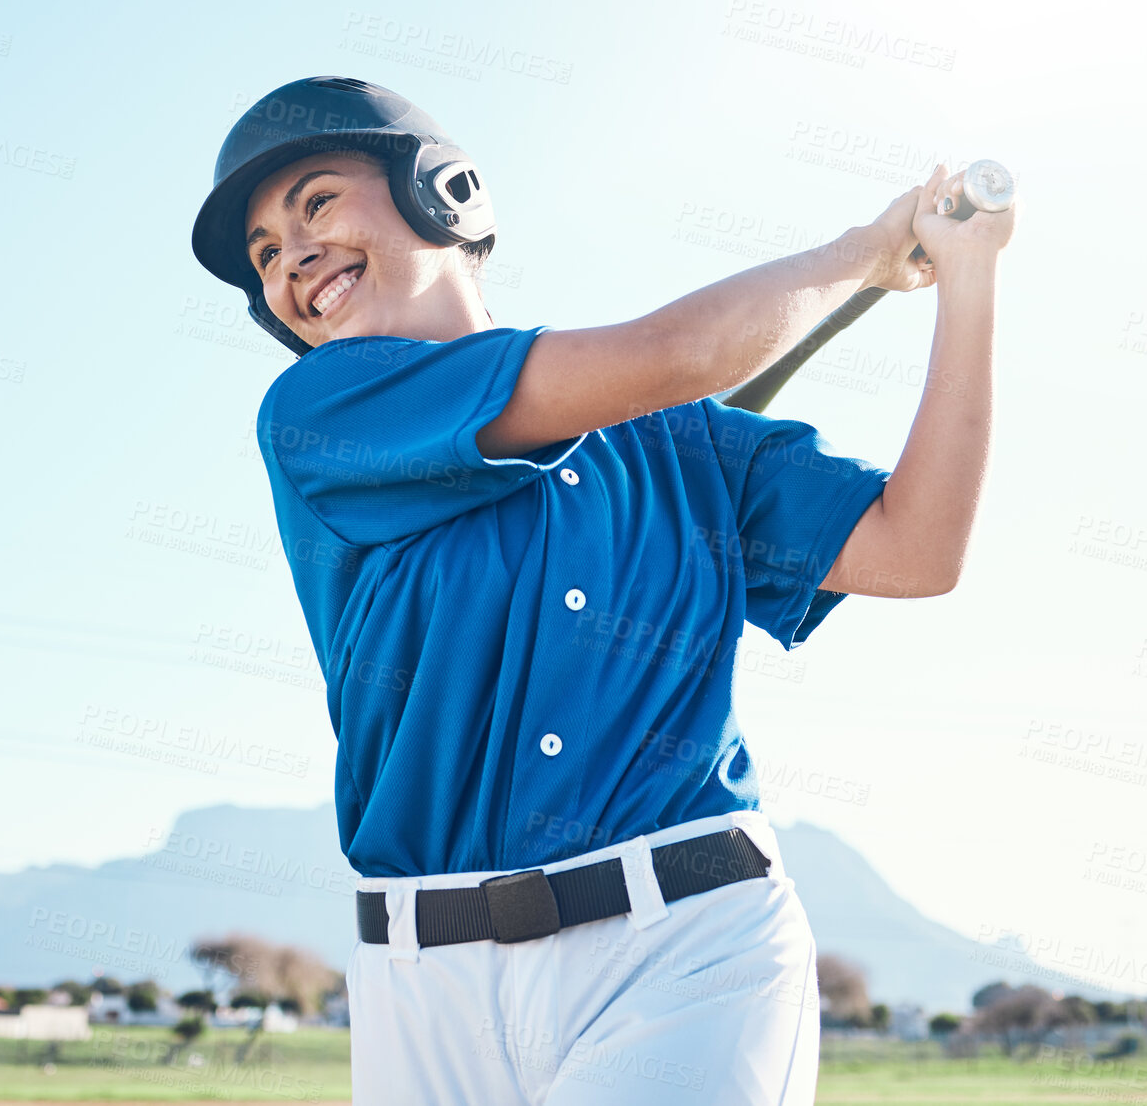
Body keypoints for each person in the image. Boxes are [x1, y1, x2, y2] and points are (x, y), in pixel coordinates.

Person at [189, 76, 1014, 1106]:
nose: (291, 257)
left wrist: (970, 282)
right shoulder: (323, 414)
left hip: (688, 946)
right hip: (422, 979)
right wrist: (867, 250)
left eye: (315, 203)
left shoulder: (684, 439)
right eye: (265, 253)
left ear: (444, 191)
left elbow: (918, 550)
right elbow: (681, 352)